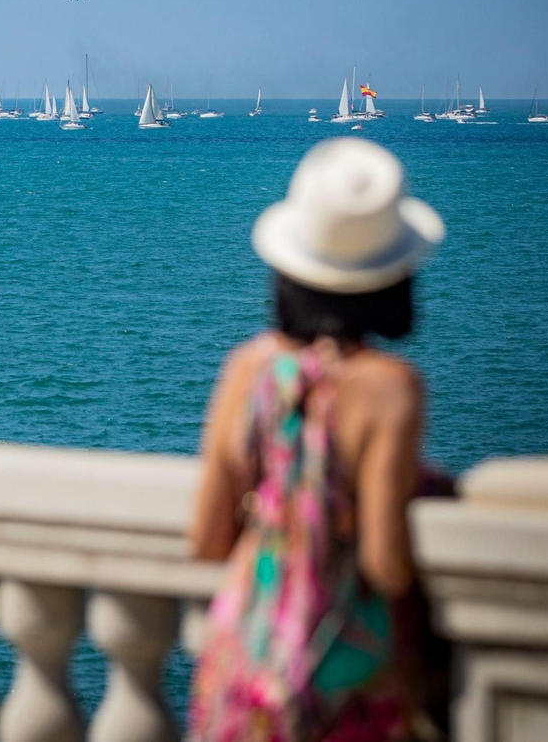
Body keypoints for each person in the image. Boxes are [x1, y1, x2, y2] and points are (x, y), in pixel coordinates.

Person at [187, 138, 446, 742]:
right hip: (341, 675)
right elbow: (385, 562)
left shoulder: (245, 371)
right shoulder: (390, 388)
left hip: (243, 661)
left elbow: (206, 539)